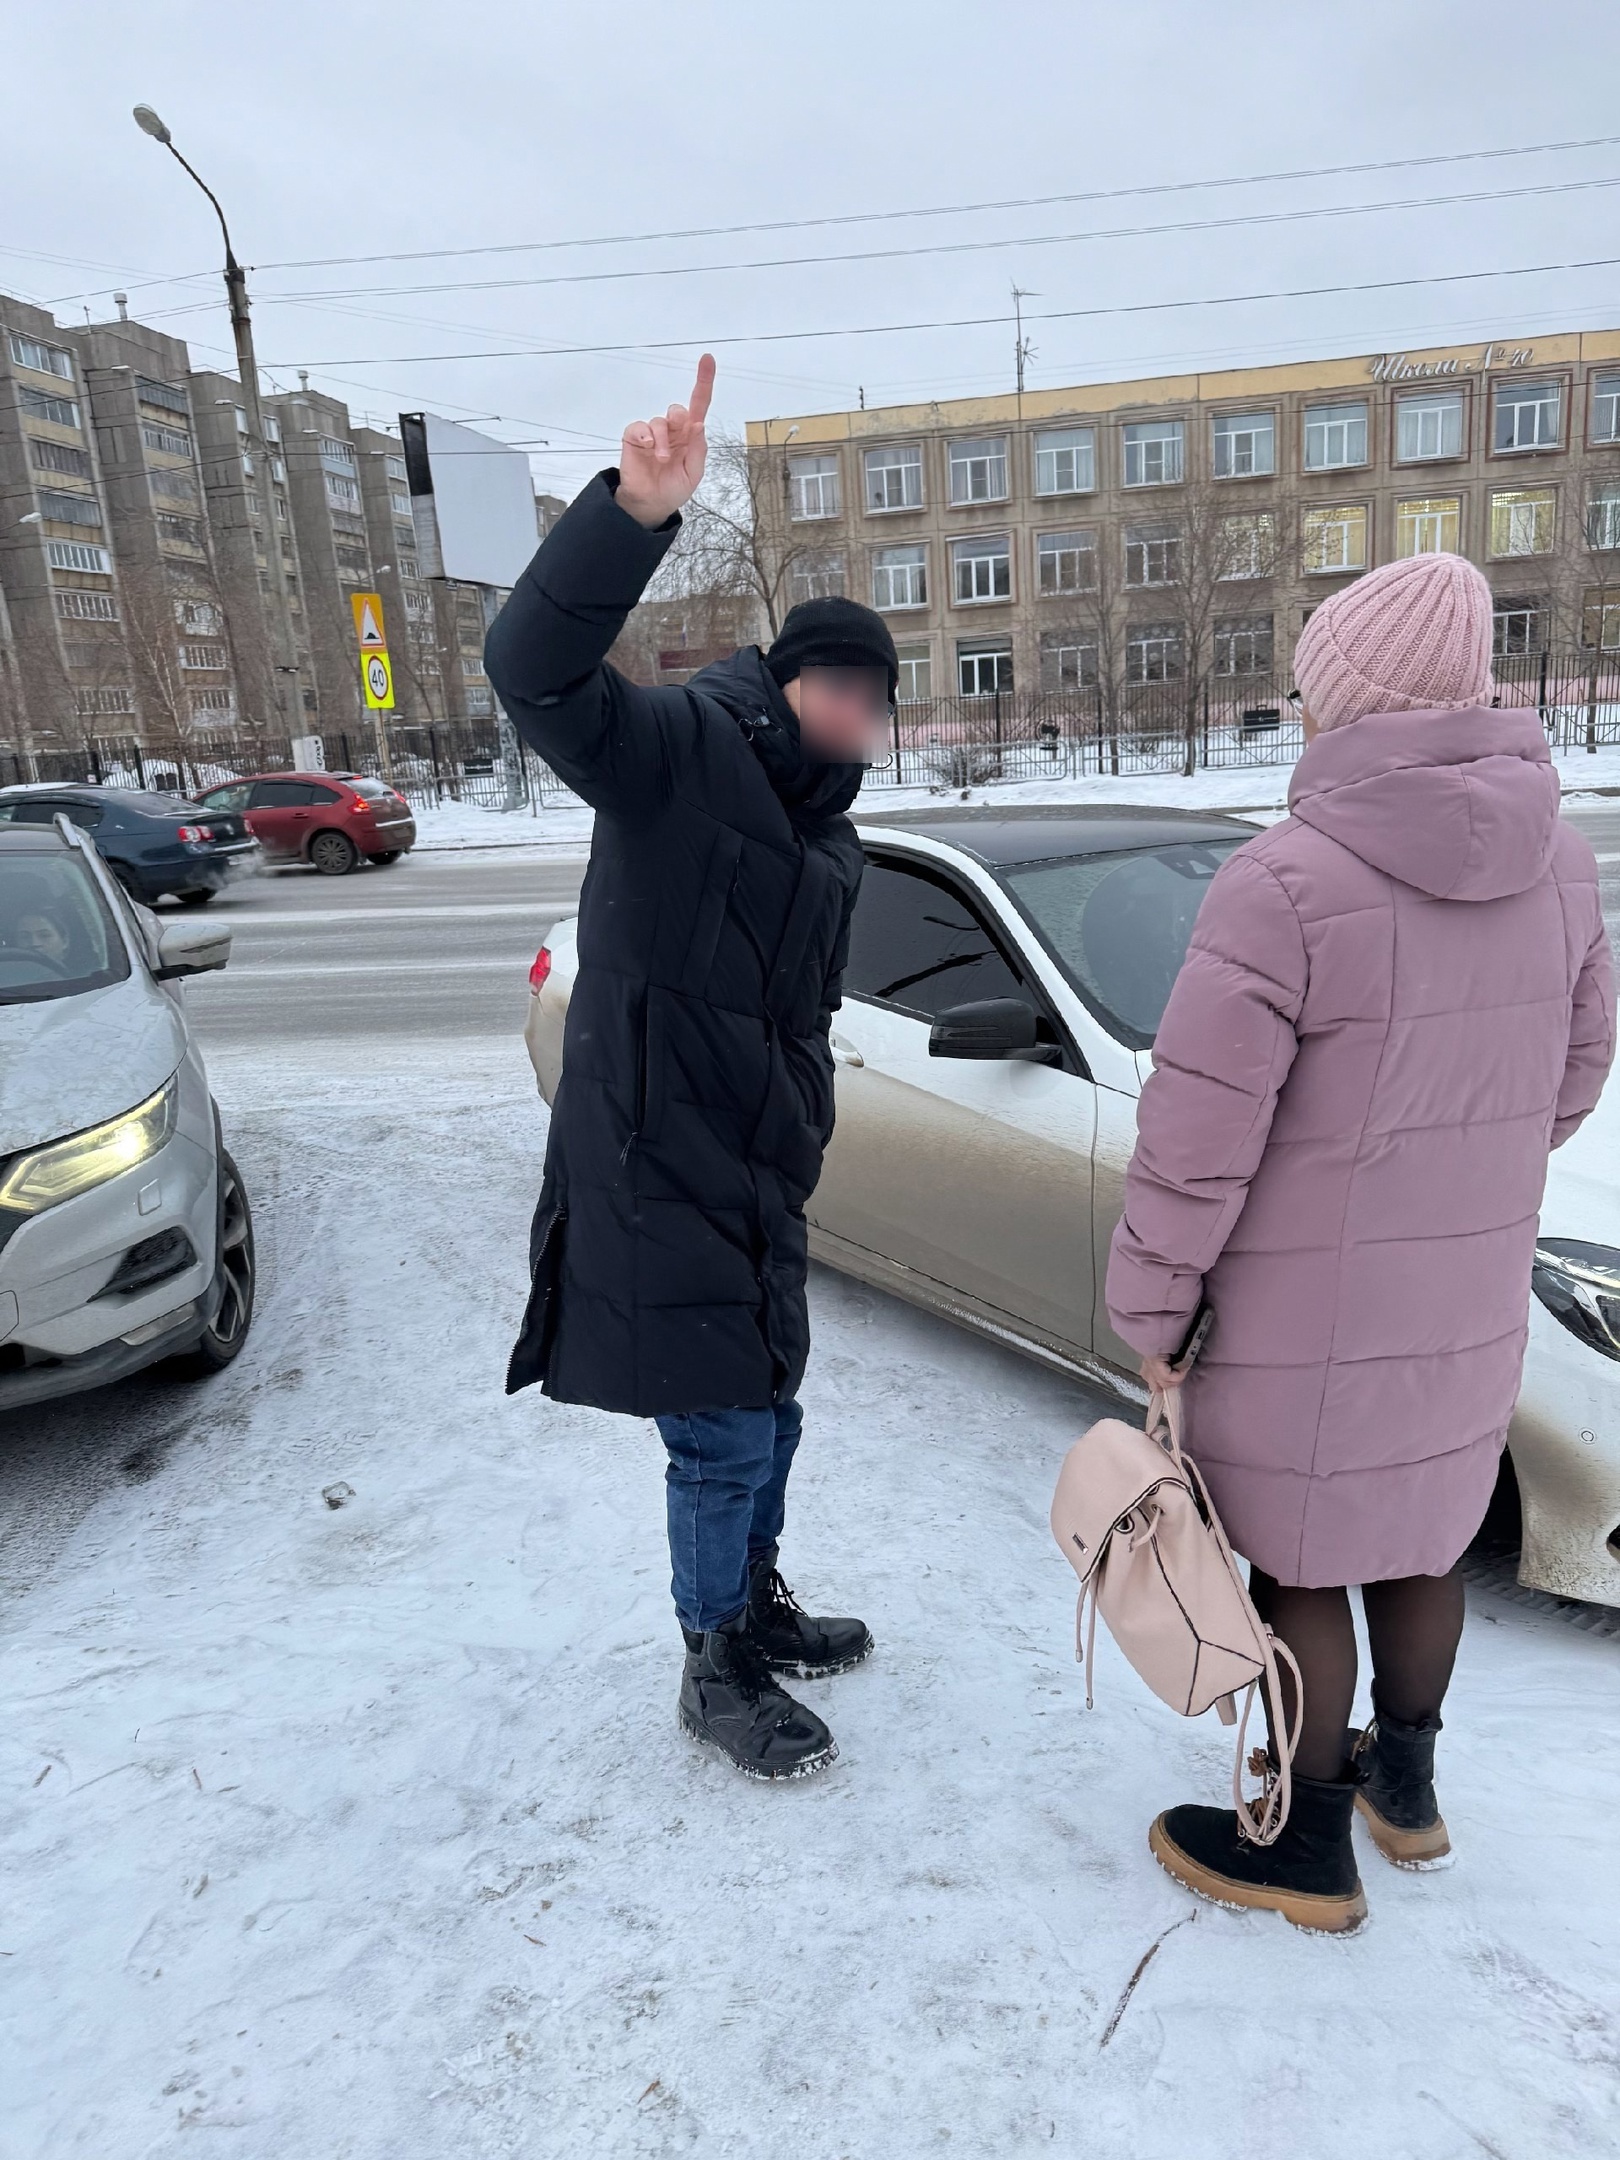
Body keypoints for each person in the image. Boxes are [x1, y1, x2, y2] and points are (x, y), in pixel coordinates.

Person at [1106, 553, 1614, 1932]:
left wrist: (1151, 1308)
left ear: (1348, 700)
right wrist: (1461, 1172)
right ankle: (1410, 1790)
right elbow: (1575, 1076)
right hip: (1465, 1288)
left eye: (1309, 689)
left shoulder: (1283, 882)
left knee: (1302, 1556)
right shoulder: (1564, 867)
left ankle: (1305, 1844)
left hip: (1301, 1307)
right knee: (1422, 1534)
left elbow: (1196, 1138)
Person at [485, 357, 896, 1781]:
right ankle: (711, 1662)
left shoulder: (832, 838)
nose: (859, 713)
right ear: (787, 681)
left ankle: (754, 1604)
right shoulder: (676, 750)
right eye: (840, 684)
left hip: (757, 1171)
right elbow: (532, 670)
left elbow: (796, 1017)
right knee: (718, 1433)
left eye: (877, 697)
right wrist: (632, 515)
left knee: (770, 1406)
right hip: (653, 1163)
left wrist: (802, 1124)